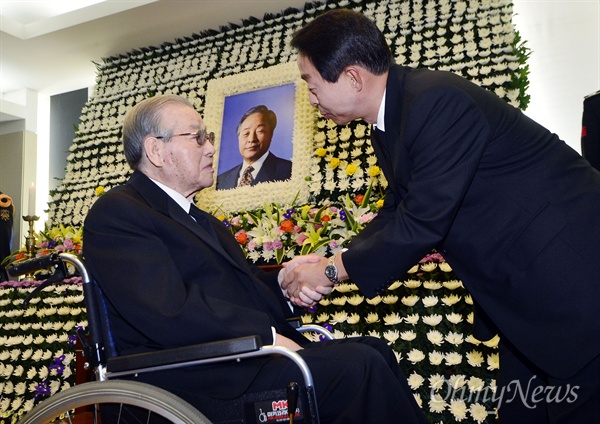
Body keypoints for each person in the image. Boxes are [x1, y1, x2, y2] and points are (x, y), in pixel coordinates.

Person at [281, 9, 600, 423]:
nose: (311, 99)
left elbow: (423, 220)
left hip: (573, 281)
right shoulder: (393, 116)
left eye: (312, 85)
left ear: (353, 77)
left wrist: (329, 273)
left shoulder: (433, 100)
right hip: (533, 299)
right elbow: (399, 209)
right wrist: (331, 259)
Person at [83, 94, 426, 424]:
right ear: (156, 150)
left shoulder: (203, 220)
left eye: (210, 137)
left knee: (374, 350)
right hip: (194, 380)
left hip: (239, 360)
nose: (211, 148)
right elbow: (170, 311)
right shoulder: (119, 213)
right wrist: (265, 336)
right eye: (198, 138)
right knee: (360, 366)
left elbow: (240, 287)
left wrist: (285, 282)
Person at [216, 105, 292, 189]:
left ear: (271, 135)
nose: (251, 139)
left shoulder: (290, 171)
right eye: (246, 133)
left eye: (259, 131)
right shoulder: (220, 181)